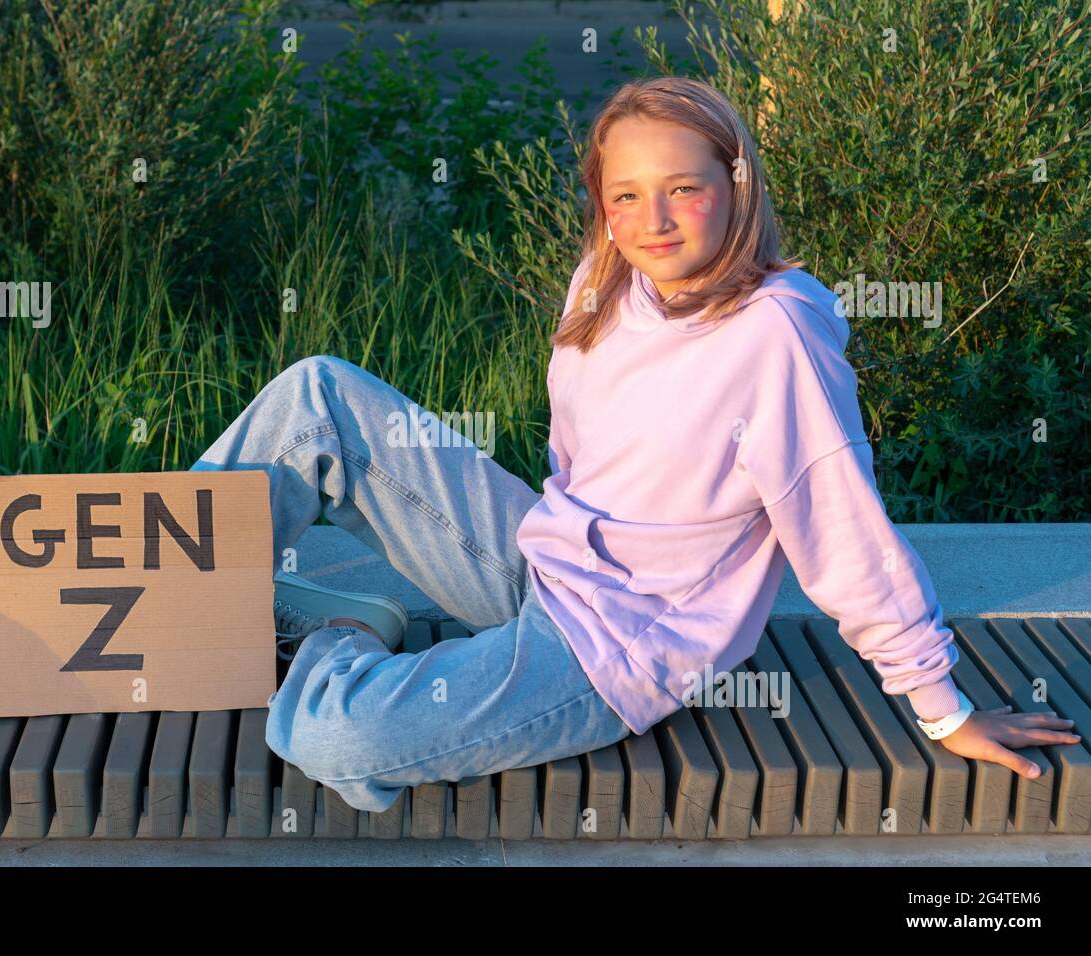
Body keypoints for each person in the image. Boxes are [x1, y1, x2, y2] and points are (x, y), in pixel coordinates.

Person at [189, 76, 1079, 815]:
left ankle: (340, 635)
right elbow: (579, 455)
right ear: (604, 207)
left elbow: (846, 536)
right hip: (544, 559)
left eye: (684, 188)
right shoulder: (606, 283)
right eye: (626, 195)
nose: (654, 219)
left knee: (342, 738)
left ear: (737, 183)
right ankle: (166, 604)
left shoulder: (775, 340)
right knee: (318, 398)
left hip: (618, 647)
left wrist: (940, 706)